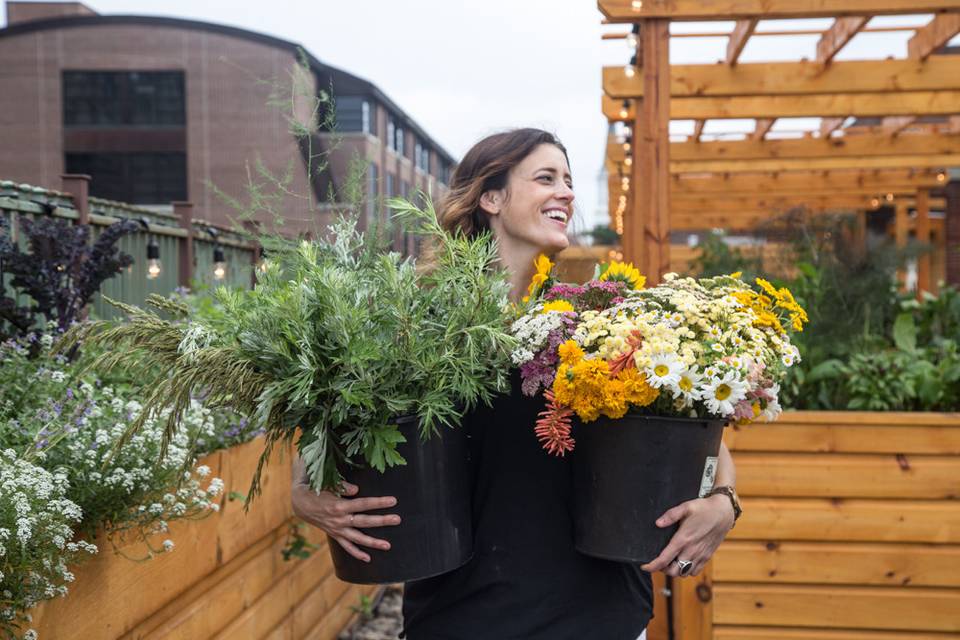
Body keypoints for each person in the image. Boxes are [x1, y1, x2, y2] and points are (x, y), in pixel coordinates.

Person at [291, 128, 739, 639]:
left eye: (568, 181)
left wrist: (724, 500)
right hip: (462, 619)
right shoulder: (418, 324)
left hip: (600, 619)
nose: (567, 193)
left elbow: (694, 428)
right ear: (491, 197)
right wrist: (303, 498)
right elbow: (321, 431)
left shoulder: (598, 323)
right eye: (546, 178)